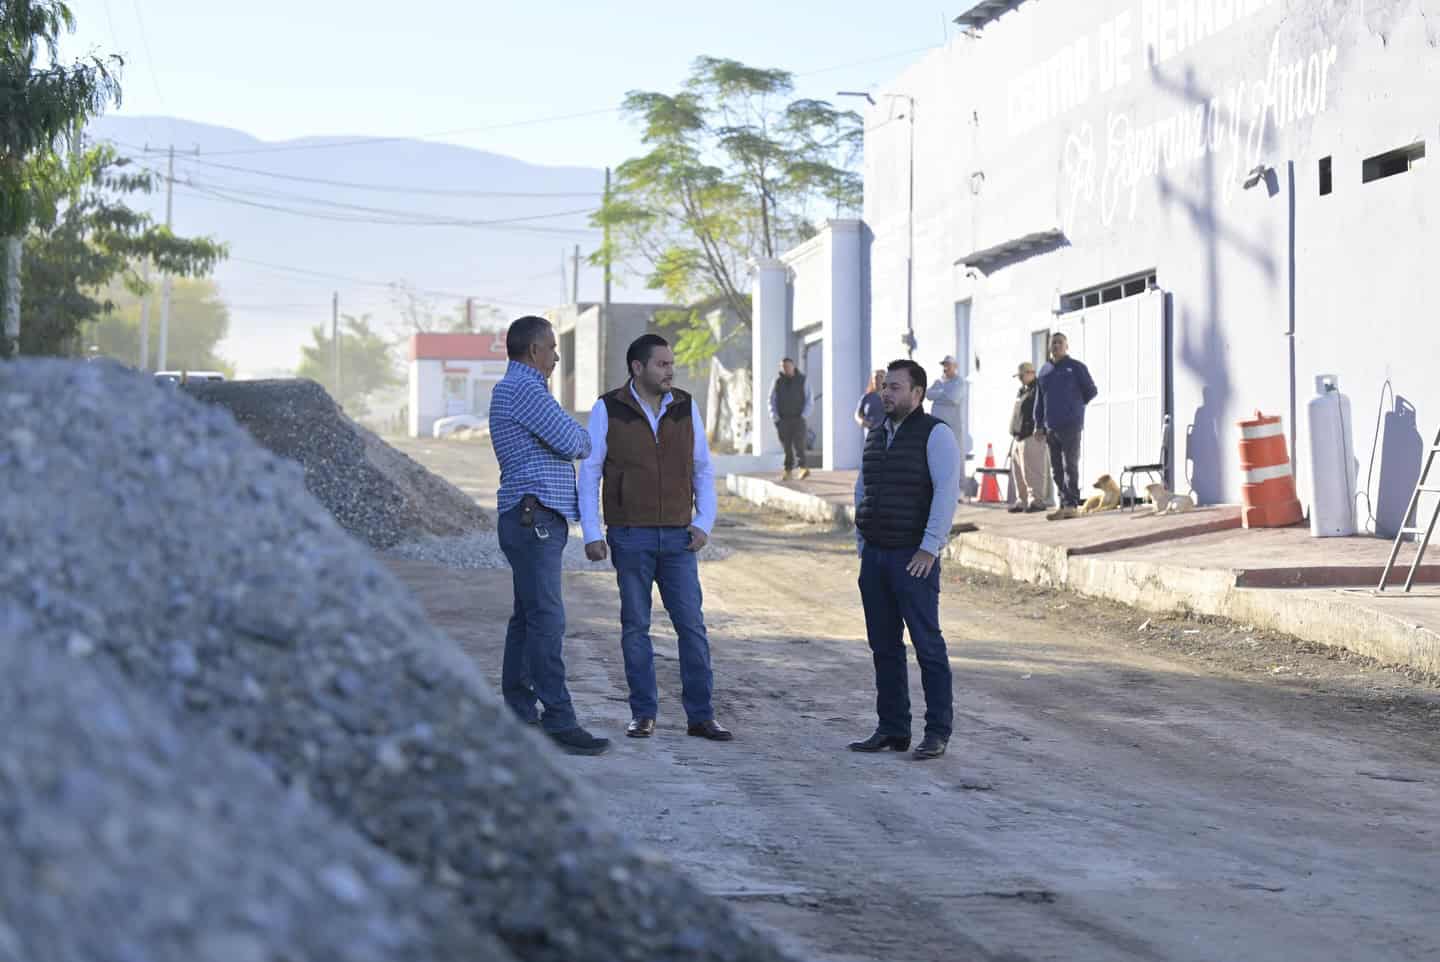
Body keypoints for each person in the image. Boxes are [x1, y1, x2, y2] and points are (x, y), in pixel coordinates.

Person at [579, 334, 733, 742]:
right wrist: (592, 532)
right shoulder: (607, 408)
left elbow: (702, 467)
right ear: (637, 367)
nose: (671, 370)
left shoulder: (685, 406)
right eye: (662, 364)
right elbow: (591, 470)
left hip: (680, 538)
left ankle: (701, 716)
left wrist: (704, 522)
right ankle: (643, 713)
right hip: (630, 535)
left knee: (692, 628)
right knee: (635, 627)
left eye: (671, 363)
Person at [489, 315, 610, 756]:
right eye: (553, 348)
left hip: (530, 517)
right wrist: (580, 437)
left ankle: (520, 711)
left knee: (528, 617)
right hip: (533, 516)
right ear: (535, 350)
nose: (557, 357)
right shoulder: (524, 389)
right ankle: (559, 719)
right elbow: (576, 441)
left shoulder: (520, 389)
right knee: (547, 619)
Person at [849, 359, 961, 761]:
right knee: (884, 646)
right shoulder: (876, 434)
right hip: (875, 557)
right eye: (884, 387)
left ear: (917, 393)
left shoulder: (936, 435)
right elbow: (864, 488)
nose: (886, 394)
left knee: (927, 645)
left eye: (895, 387)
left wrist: (930, 548)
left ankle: (937, 732)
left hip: (914, 559)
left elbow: (948, 493)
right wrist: (862, 539)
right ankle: (893, 728)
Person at [1033, 332, 1098, 521]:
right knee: (1056, 469)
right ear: (1049, 347)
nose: (1056, 346)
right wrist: (1038, 425)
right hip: (1050, 427)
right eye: (1053, 343)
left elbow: (1091, 391)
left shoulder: (1076, 367)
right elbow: (1040, 401)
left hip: (1070, 425)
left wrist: (1074, 407)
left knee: (1070, 465)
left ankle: (1072, 505)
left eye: (1060, 343)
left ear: (1066, 346)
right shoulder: (1044, 371)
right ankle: (1063, 504)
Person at [1007, 361, 1048, 514]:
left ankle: (1037, 501)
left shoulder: (1039, 389)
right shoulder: (1022, 391)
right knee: (1019, 471)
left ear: (1031, 373)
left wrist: (1041, 428)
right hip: (1018, 436)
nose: (1020, 379)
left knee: (1033, 470)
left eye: (1022, 375)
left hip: (1032, 435)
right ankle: (1022, 500)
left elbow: (1043, 409)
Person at [769, 357, 812, 481]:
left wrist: (804, 415)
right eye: (783, 366)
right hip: (783, 419)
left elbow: (810, 398)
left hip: (798, 418)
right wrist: (775, 417)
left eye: (788, 366)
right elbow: (771, 399)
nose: (786, 368)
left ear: (793, 366)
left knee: (799, 444)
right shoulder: (777, 381)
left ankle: (803, 468)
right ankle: (788, 471)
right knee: (786, 446)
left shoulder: (803, 380)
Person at [926, 354, 966, 450]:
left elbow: (953, 398)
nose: (945, 367)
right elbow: (928, 395)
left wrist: (937, 395)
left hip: (952, 427)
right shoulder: (938, 381)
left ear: (955, 367)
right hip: (937, 426)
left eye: (948, 365)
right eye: (944, 365)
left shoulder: (960, 382)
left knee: (952, 453)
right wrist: (943, 393)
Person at [854, 369, 886, 435]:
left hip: (888, 436)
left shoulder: (891, 397)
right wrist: (862, 422)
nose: (878, 380)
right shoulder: (866, 397)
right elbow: (857, 415)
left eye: (881, 377)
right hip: (871, 436)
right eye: (876, 377)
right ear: (872, 380)